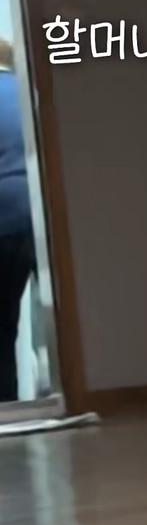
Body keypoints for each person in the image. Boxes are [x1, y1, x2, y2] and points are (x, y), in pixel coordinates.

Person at [0, 37, 34, 401]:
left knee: (2, 327)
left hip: (4, 217)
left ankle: (6, 409)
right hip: (42, 213)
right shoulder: (27, 93)